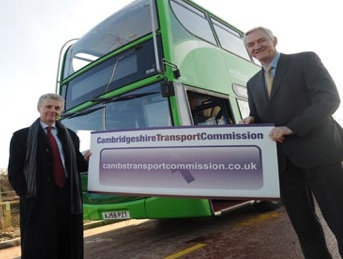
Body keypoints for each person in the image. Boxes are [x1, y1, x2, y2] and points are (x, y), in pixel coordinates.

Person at [240, 27, 343, 258]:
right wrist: (251, 119)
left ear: (274, 41)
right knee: (303, 226)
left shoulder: (305, 60)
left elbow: (328, 99)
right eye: (250, 45)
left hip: (319, 153)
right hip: (284, 163)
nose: (256, 47)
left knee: (339, 217)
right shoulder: (252, 83)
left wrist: (293, 127)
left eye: (261, 41)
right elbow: (259, 114)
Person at [8, 93, 91, 259]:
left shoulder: (71, 137)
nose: (52, 110)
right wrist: (27, 194)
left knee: (66, 243)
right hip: (38, 200)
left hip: (67, 199)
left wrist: (87, 159)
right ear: (39, 108)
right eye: (48, 107)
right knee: (39, 245)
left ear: (61, 111)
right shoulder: (21, 137)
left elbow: (77, 165)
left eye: (57, 108)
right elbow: (14, 172)